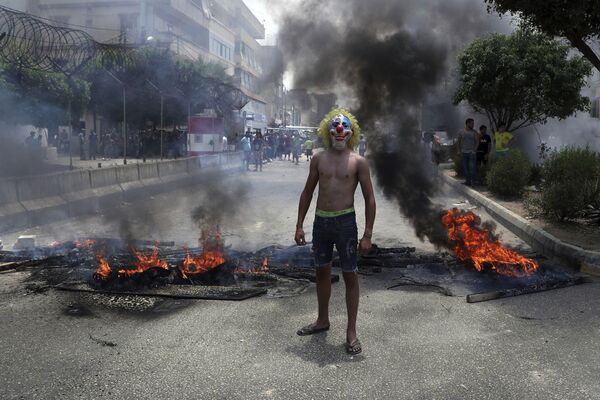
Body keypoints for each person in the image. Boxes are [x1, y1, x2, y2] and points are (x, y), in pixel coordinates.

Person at [294, 108, 376, 356]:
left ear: (351, 132)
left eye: (344, 127)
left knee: (351, 275)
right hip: (322, 223)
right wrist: (299, 224)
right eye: (335, 127)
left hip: (345, 224)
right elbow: (307, 192)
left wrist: (368, 234)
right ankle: (322, 320)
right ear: (327, 131)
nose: (339, 131)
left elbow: (370, 199)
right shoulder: (318, 159)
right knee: (322, 272)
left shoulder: (358, 162)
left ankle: (351, 332)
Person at [457, 118, 478, 186]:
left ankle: (473, 182)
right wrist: (459, 150)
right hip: (463, 152)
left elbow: (477, 141)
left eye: (473, 123)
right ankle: (468, 181)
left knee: (472, 168)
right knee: (466, 169)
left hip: (471, 153)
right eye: (472, 123)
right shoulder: (461, 131)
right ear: (467, 123)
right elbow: (458, 142)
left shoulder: (474, 132)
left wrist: (474, 150)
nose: (473, 124)